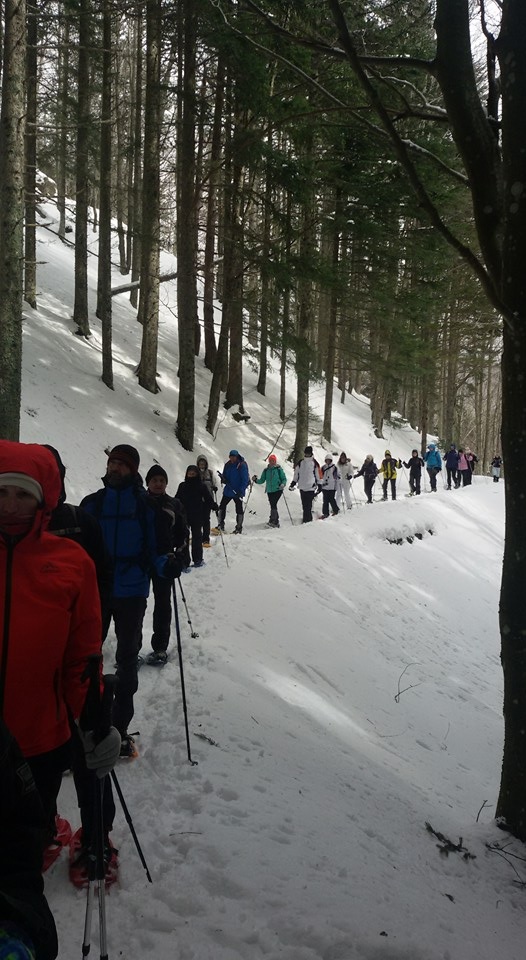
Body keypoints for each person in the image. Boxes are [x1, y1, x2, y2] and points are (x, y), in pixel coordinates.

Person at [0, 441, 119, 870]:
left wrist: (93, 724)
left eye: (23, 494)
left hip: (40, 740)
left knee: (22, 854)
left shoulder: (71, 562)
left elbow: (81, 657)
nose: (11, 505)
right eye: (1, 493)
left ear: (42, 498)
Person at [44, 445, 117, 883]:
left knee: (91, 746)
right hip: (27, 666)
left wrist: (96, 626)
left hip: (79, 658)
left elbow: (101, 576)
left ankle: (95, 837)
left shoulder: (79, 521)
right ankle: (41, 829)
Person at [81, 444, 182, 758]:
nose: (115, 468)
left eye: (123, 464)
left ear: (134, 470)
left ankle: (118, 729)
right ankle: (85, 726)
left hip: (131, 592)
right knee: (84, 659)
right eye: (112, 462)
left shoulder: (145, 508)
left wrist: (168, 564)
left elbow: (157, 552)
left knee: (127, 660)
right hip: (96, 591)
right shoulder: (92, 504)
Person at [0, 718, 58, 960]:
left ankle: (54, 829)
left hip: (45, 734)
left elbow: (18, 837)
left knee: (45, 794)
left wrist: (17, 923)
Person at [144, 464, 189, 664]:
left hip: (165, 561)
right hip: (141, 559)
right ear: (148, 483)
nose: (158, 484)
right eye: (154, 480)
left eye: (161, 481)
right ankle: (131, 648)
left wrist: (180, 558)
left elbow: (182, 533)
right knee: (136, 605)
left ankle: (160, 647)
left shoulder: (174, 504)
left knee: (163, 604)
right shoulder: (138, 501)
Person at [175, 465, 218, 566]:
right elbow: (177, 498)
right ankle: (184, 562)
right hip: (184, 515)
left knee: (197, 538)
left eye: (193, 474)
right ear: (186, 474)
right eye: (189, 474)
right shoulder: (182, 486)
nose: (191, 476)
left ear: (197, 474)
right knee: (184, 539)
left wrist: (213, 505)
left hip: (197, 515)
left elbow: (207, 498)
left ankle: (198, 559)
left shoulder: (201, 485)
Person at [216, 450, 250, 534]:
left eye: (234, 456)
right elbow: (225, 476)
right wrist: (223, 479)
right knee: (222, 506)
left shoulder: (241, 465)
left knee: (238, 509)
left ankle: (238, 527)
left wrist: (241, 491)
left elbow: (245, 479)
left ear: (237, 456)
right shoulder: (228, 464)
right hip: (228, 490)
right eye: (231, 456)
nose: (232, 458)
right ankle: (220, 524)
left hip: (237, 491)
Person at [252, 454, 287, 527]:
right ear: (269, 461)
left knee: (273, 504)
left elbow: (284, 479)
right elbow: (262, 480)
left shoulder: (278, 469)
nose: (272, 462)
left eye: (273, 460)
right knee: (272, 505)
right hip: (270, 491)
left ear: (275, 461)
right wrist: (255, 480)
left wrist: (283, 484)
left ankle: (274, 521)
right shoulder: (266, 470)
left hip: (278, 489)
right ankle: (273, 520)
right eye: (271, 460)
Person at [289, 445, 322, 523]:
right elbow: (296, 474)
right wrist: (293, 483)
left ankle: (308, 521)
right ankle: (306, 520)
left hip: (311, 487)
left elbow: (318, 474)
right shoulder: (301, 463)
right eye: (306, 453)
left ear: (311, 453)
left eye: (308, 453)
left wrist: (320, 484)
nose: (307, 454)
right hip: (302, 486)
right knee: (304, 505)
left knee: (308, 506)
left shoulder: (314, 463)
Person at [196, 455, 217, 546]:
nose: (202, 464)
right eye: (200, 463)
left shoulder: (210, 473)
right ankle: (197, 536)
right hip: (197, 500)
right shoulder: (195, 472)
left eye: (203, 463)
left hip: (208, 500)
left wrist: (215, 487)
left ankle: (205, 539)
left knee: (206, 519)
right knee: (197, 519)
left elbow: (214, 482)